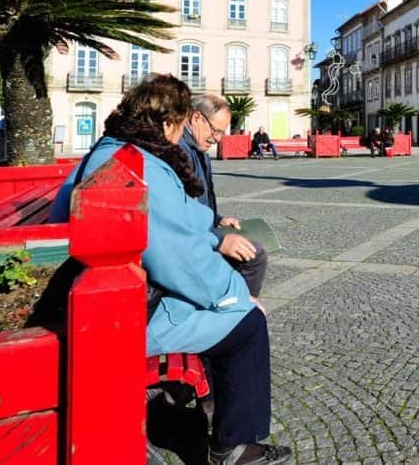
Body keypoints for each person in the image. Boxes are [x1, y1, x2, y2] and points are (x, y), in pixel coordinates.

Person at [47, 75, 291, 465]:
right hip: (123, 316)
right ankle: (234, 446)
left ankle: (221, 416)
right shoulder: (140, 164)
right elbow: (179, 260)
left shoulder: (113, 150)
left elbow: (182, 218)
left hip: (110, 293)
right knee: (247, 325)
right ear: (167, 123)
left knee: (238, 308)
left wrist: (212, 233)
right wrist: (235, 296)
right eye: (178, 127)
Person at [183, 94, 268, 300]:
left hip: (205, 232)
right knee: (255, 256)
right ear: (196, 118)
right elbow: (180, 211)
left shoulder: (198, 149)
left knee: (254, 249)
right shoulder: (181, 151)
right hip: (191, 244)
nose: (218, 138)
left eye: (222, 132)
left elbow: (198, 202)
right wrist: (219, 240)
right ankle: (244, 312)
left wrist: (218, 219)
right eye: (216, 130)